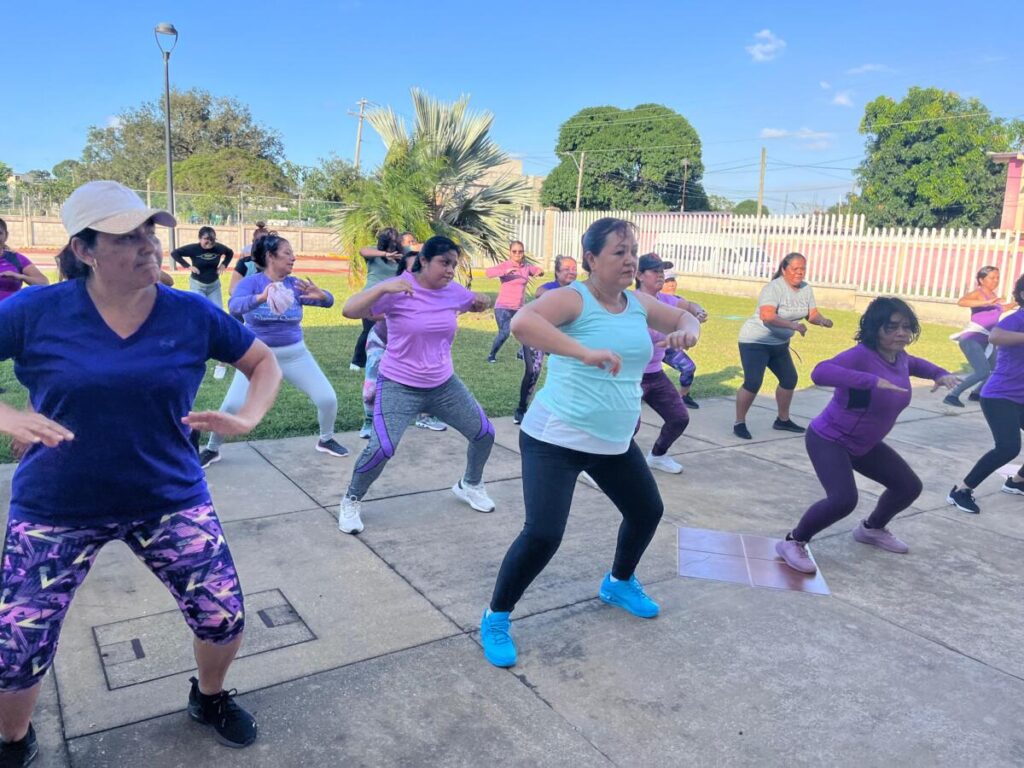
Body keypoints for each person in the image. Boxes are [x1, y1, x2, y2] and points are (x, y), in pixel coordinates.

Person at [0, 181, 282, 765]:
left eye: (149, 232)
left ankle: (208, 698)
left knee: (221, 614)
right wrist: (9, 415)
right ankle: (14, 740)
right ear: (85, 250)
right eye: (127, 236)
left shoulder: (190, 313)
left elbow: (262, 362)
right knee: (16, 648)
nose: (149, 246)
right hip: (58, 504)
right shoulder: (37, 310)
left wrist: (248, 416)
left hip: (169, 495)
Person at [479, 217, 701, 669]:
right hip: (555, 437)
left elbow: (683, 316)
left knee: (647, 511)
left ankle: (619, 582)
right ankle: (496, 616)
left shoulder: (638, 302)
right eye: (619, 251)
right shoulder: (572, 298)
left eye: (633, 250)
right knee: (543, 533)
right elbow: (523, 322)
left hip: (614, 441)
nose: (630, 259)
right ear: (591, 259)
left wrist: (688, 332)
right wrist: (583, 352)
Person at [774, 297, 956, 574]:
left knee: (908, 487)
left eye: (906, 327)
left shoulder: (899, 357)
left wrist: (940, 374)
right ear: (875, 329)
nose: (901, 333)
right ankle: (793, 541)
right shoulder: (861, 355)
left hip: (864, 444)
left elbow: (916, 364)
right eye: (892, 327)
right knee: (843, 499)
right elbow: (820, 372)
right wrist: (870, 381)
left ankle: (872, 529)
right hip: (830, 438)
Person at [339, 236, 495, 534]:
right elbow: (349, 310)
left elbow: (472, 304)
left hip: (443, 384)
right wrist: (383, 286)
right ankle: (351, 499)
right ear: (423, 260)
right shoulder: (399, 289)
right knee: (382, 448)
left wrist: (481, 303)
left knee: (484, 433)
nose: (450, 270)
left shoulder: (452, 291)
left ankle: (469, 484)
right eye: (444, 263)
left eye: (454, 264)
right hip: (399, 384)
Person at [199, 234, 347, 468]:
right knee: (231, 406)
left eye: (292, 254)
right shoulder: (251, 283)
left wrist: (324, 296)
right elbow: (234, 306)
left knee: (327, 398)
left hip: (295, 354)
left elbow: (327, 302)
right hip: (257, 358)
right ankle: (212, 449)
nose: (293, 258)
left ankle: (326, 439)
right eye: (287, 253)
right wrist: (261, 297)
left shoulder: (294, 284)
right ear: (270, 256)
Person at [734, 252, 833, 439]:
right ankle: (739, 422)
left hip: (779, 343)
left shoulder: (806, 289)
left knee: (789, 379)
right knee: (753, 382)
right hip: (755, 341)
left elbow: (811, 315)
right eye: (795, 269)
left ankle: (782, 420)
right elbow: (767, 316)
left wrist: (823, 321)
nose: (799, 273)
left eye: (802, 269)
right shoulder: (774, 288)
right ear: (784, 269)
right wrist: (793, 325)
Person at [948, 275, 1024, 515]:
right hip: (1000, 396)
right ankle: (961, 491)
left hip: (1021, 397)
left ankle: (1017, 481)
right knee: (1008, 447)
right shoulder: (1017, 318)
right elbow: (995, 337)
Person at [633, 253, 704, 474]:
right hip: (630, 376)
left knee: (678, 418)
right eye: (655, 271)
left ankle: (657, 456)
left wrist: (698, 312)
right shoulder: (629, 302)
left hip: (655, 374)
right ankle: (595, 464)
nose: (661, 275)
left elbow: (689, 306)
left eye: (662, 271)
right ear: (639, 275)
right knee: (628, 427)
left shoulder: (667, 301)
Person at [513, 255, 578, 424]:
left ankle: (563, 410)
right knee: (533, 371)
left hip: (558, 337)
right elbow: (538, 292)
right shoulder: (552, 287)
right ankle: (521, 409)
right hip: (536, 334)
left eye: (574, 269)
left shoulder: (578, 290)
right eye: (566, 269)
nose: (571, 272)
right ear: (557, 272)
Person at [944, 266, 1006, 408]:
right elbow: (962, 302)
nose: (995, 281)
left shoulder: (993, 296)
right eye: (992, 278)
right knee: (982, 371)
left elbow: (1001, 309)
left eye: (997, 278)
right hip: (972, 338)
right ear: (981, 280)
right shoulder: (979, 294)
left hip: (987, 340)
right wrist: (986, 302)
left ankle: (976, 393)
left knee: (998, 369)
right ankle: (952, 395)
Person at [350, 228, 402, 371]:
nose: (392, 243)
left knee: (392, 330)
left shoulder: (403, 254)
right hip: (371, 297)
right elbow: (362, 251)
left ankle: (389, 360)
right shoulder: (374, 254)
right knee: (368, 330)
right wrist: (385, 254)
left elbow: (418, 251)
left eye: (394, 240)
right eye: (388, 240)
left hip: (392, 300)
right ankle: (357, 362)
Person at [485, 241, 544, 363]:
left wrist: (539, 272)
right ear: (510, 252)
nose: (517, 254)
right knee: (505, 332)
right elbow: (488, 273)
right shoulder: (505, 265)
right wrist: (504, 272)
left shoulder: (526, 267)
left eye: (520, 251)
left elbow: (538, 270)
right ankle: (491, 355)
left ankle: (521, 353)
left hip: (519, 308)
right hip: (503, 307)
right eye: (514, 251)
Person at [660, 271, 702, 408]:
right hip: (648, 345)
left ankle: (683, 396)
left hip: (668, 346)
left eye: (673, 280)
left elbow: (692, 310)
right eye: (667, 281)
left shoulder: (679, 301)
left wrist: (698, 315)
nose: (671, 284)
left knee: (688, 368)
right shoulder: (651, 300)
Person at [171, 226, 234, 310]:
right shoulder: (193, 248)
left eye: (212, 239)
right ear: (200, 238)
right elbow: (175, 253)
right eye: (206, 239)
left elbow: (230, 252)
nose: (210, 242)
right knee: (201, 310)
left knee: (218, 311)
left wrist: (224, 264)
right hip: (197, 285)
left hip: (214, 286)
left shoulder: (218, 248)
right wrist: (188, 266)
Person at [0, 217, 50, 302]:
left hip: (11, 313)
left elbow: (44, 282)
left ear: (6, 236)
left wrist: (20, 276)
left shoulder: (16, 258)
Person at [229, 222, 271, 294]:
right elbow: (232, 291)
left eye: (265, 241)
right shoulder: (245, 262)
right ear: (253, 241)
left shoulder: (275, 262)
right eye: (259, 241)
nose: (262, 245)